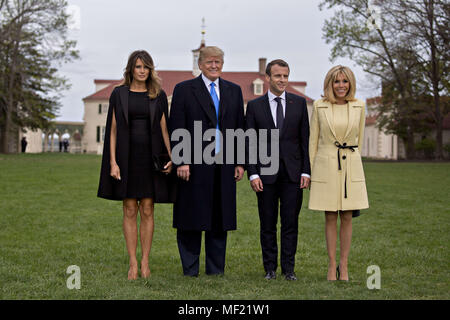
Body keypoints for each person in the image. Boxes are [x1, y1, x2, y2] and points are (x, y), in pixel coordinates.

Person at [97, 50, 175, 280]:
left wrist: (173, 157)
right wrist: (113, 162)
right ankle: (132, 263)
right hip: (125, 158)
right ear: (131, 69)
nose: (142, 71)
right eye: (138, 67)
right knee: (130, 208)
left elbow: (165, 129)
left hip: (150, 158)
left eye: (146, 67)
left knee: (148, 209)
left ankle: (145, 262)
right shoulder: (118, 94)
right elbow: (111, 130)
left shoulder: (158, 95)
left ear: (150, 70)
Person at [169, 46, 245, 277]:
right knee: (191, 216)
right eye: (210, 62)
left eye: (218, 62)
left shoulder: (234, 91)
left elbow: (239, 128)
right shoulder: (184, 90)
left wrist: (239, 162)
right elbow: (177, 125)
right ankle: (190, 269)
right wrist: (181, 161)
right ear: (200, 64)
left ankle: (215, 270)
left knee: (219, 218)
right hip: (193, 164)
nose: (214, 66)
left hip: (224, 162)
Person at [245, 59, 311, 281]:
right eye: (278, 76)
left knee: (290, 223)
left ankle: (289, 269)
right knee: (268, 223)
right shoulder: (255, 107)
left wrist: (306, 171)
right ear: (268, 78)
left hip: (293, 174)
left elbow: (304, 140)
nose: (282, 80)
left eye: (285, 76)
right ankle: (270, 268)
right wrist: (252, 173)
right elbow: (250, 143)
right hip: (265, 174)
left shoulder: (299, 104)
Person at [308, 65, 369, 281]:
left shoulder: (359, 106)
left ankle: (344, 266)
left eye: (345, 81)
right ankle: (331, 264)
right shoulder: (320, 106)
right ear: (330, 84)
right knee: (330, 216)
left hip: (350, 165)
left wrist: (351, 162)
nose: (341, 86)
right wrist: (313, 173)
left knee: (347, 216)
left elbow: (359, 141)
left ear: (350, 83)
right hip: (326, 166)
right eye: (337, 81)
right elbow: (313, 142)